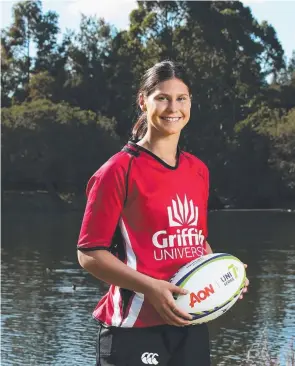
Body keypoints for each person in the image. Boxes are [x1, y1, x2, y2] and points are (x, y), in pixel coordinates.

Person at [77, 60, 248, 366]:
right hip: (133, 327)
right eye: (163, 98)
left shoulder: (198, 170)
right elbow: (89, 254)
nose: (173, 107)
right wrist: (151, 288)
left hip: (190, 321)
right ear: (143, 101)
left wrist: (226, 276)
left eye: (181, 98)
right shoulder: (118, 170)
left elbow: (195, 241)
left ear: (191, 103)